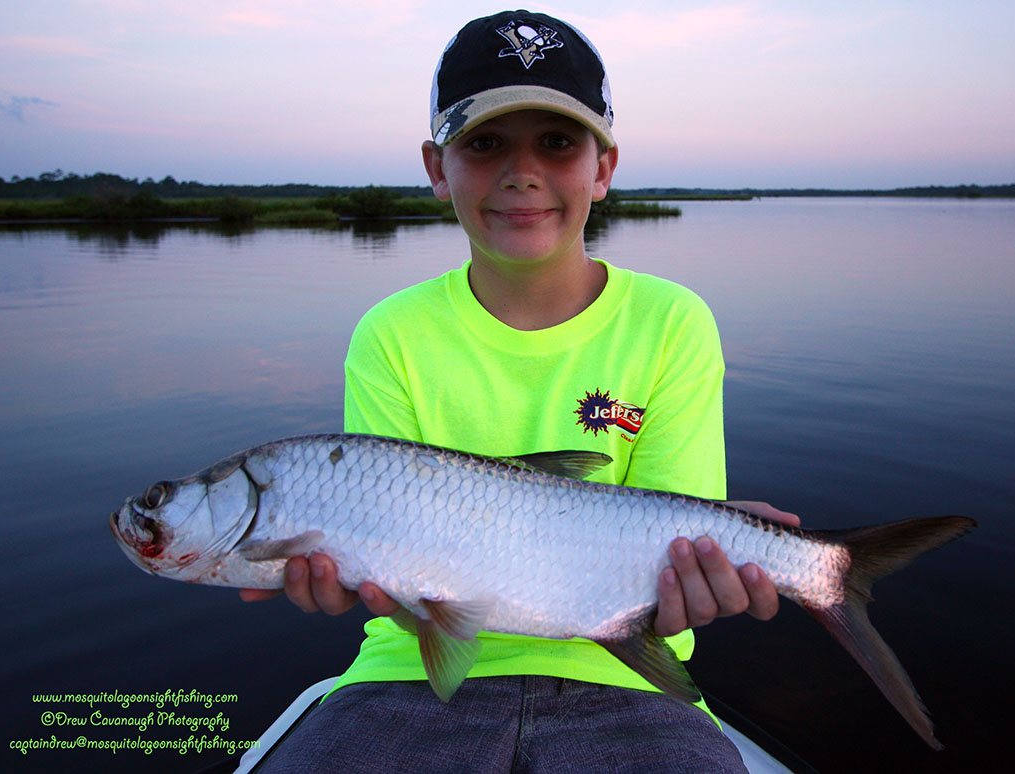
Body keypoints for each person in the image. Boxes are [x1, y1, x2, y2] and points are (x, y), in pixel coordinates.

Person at [241, 10, 798, 772]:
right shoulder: (390, 333)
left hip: (625, 678)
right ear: (439, 168)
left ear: (603, 168)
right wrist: (345, 575)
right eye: (486, 143)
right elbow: (393, 573)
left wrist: (716, 567)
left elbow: (671, 546)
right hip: (410, 673)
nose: (522, 172)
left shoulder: (673, 321)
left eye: (558, 142)